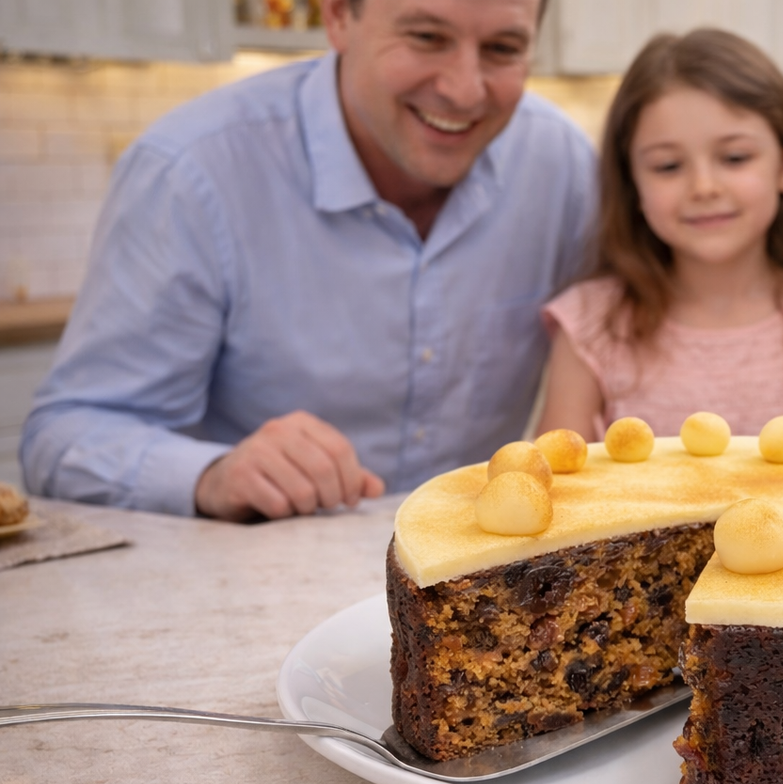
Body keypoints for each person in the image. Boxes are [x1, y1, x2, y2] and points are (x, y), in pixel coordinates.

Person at [21, 0, 596, 522]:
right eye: (425, 36)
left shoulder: (564, 169)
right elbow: (65, 436)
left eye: (502, 49)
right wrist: (213, 474)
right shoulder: (192, 172)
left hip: (476, 593)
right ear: (338, 17)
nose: (465, 89)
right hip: (248, 579)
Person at [534, 29, 783, 445]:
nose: (704, 187)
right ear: (631, 180)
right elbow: (552, 490)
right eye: (668, 166)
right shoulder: (590, 328)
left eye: (734, 158)